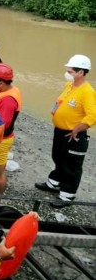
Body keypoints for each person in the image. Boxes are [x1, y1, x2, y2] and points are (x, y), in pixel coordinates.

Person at [35, 54, 96, 207]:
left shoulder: (87, 91)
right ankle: (54, 183)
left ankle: (67, 195)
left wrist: (78, 129)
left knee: (71, 164)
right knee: (58, 157)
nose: (67, 74)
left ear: (81, 72)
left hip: (73, 135)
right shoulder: (69, 86)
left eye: (70, 72)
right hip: (60, 131)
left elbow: (93, 115)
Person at [0, 63, 22, 210]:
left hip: (2, 139)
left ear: (0, 82)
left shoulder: (8, 100)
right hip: (1, 138)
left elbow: (4, 124)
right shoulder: (11, 90)